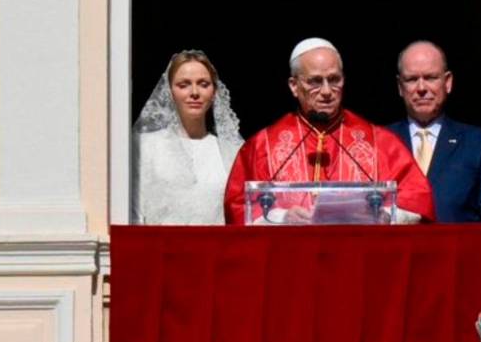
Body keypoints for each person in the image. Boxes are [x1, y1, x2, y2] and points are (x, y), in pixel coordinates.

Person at [224, 38, 434, 224]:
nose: (326, 91)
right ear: (294, 86)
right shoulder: (263, 146)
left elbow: (417, 199)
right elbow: (238, 205)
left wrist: (383, 215)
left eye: (334, 80)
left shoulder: (380, 142)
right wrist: (282, 217)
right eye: (315, 81)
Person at [389, 41, 481, 222]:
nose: (421, 88)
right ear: (400, 86)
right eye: (412, 79)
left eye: (430, 78)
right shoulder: (380, 142)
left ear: (448, 82)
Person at [132, 50, 244, 224]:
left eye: (203, 84)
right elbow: (134, 210)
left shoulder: (231, 151)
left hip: (216, 249)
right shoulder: (146, 145)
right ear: (170, 92)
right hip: (160, 248)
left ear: (214, 92)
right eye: (183, 85)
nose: (194, 92)